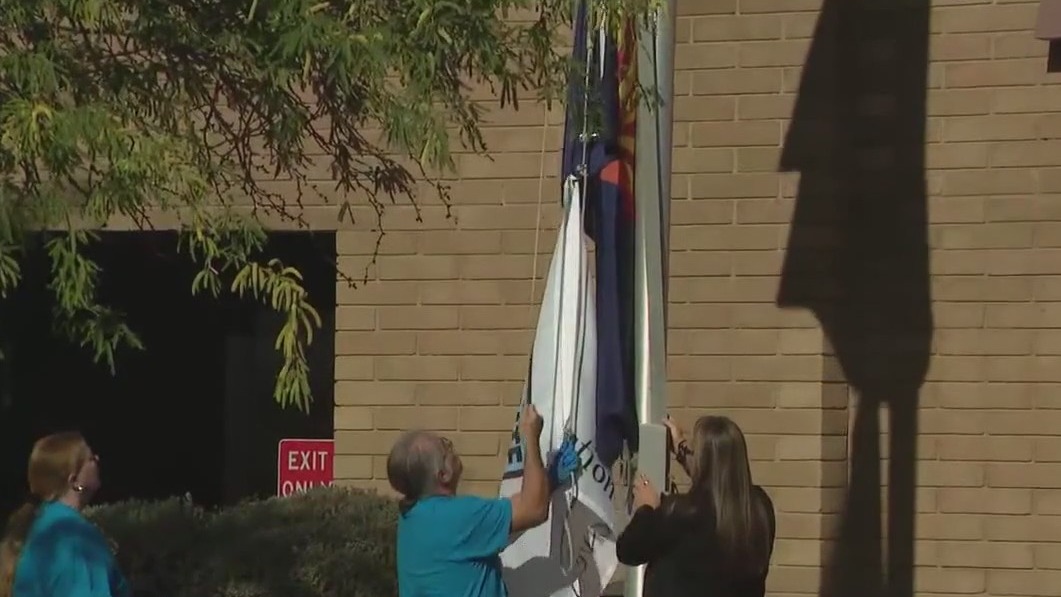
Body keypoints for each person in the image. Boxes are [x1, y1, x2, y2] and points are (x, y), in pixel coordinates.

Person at [387, 404, 554, 597]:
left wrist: (546, 482)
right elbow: (534, 509)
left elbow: (507, 516)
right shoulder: (457, 517)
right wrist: (531, 438)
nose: (452, 447)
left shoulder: (413, 516)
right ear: (444, 474)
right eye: (445, 446)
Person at [616, 415, 776, 597]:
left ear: (702, 462)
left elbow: (628, 551)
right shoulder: (759, 508)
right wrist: (682, 449)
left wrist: (646, 509)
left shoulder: (680, 513)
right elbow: (718, 484)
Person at [0, 431, 130, 597]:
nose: (97, 459)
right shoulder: (74, 536)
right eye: (90, 459)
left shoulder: (40, 526)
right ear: (74, 481)